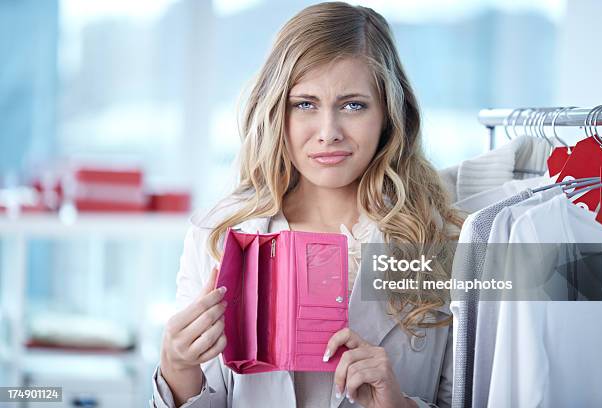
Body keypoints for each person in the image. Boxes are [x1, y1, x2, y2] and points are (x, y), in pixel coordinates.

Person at [150, 2, 463, 407]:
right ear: (277, 111)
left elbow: (468, 397)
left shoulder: (445, 243)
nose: (328, 132)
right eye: (305, 104)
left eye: (353, 105)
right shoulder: (215, 235)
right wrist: (177, 368)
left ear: (389, 113)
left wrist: (398, 404)